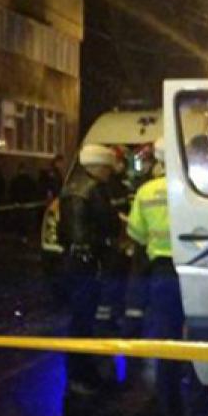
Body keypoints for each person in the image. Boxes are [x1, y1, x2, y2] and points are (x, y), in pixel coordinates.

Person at [126, 138, 207, 416]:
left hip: (162, 273)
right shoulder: (196, 189)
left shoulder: (146, 192)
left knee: (167, 339)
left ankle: (166, 403)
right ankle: (198, 401)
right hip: (195, 271)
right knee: (199, 338)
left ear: (158, 159)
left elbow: (136, 234)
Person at [57, 144, 123, 393]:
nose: (109, 172)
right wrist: (102, 248)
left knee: (82, 317)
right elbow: (99, 227)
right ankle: (80, 374)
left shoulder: (75, 186)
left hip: (78, 261)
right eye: (107, 167)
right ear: (98, 166)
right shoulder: (91, 189)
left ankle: (83, 371)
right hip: (86, 263)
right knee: (82, 319)